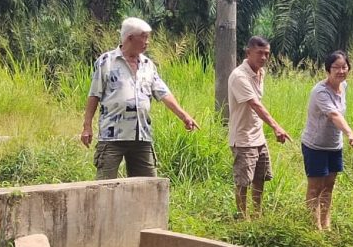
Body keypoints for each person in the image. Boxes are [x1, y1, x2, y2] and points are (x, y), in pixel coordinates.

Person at [81, 17, 198, 178]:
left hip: (141, 135)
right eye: (144, 37)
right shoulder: (106, 62)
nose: (147, 42)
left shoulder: (148, 65)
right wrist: (87, 126)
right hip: (112, 135)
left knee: (148, 185)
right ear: (130, 38)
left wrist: (184, 116)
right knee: (104, 186)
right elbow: (94, 95)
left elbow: (163, 93)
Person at [227, 36, 292, 219]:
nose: (263, 58)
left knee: (261, 178)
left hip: (258, 136)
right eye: (259, 53)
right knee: (243, 181)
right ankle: (242, 218)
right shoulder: (239, 76)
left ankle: (257, 215)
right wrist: (276, 127)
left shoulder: (260, 73)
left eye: (267, 54)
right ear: (248, 53)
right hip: (243, 138)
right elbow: (255, 104)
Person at [301, 50, 353, 230]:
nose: (341, 71)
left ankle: (326, 225)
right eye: (336, 67)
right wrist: (350, 133)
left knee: (329, 185)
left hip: (334, 145)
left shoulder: (344, 87)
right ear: (328, 69)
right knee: (315, 188)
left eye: (344, 67)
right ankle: (314, 229)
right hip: (315, 146)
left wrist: (345, 136)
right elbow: (334, 115)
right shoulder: (320, 91)